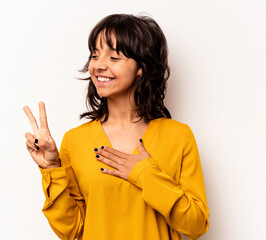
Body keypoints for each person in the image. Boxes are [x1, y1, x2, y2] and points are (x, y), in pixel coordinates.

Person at [23, 14, 209, 240]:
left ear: (141, 66)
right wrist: (52, 168)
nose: (99, 66)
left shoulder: (178, 137)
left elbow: (196, 225)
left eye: (114, 57)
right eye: (94, 55)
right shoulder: (76, 141)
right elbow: (72, 230)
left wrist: (144, 174)